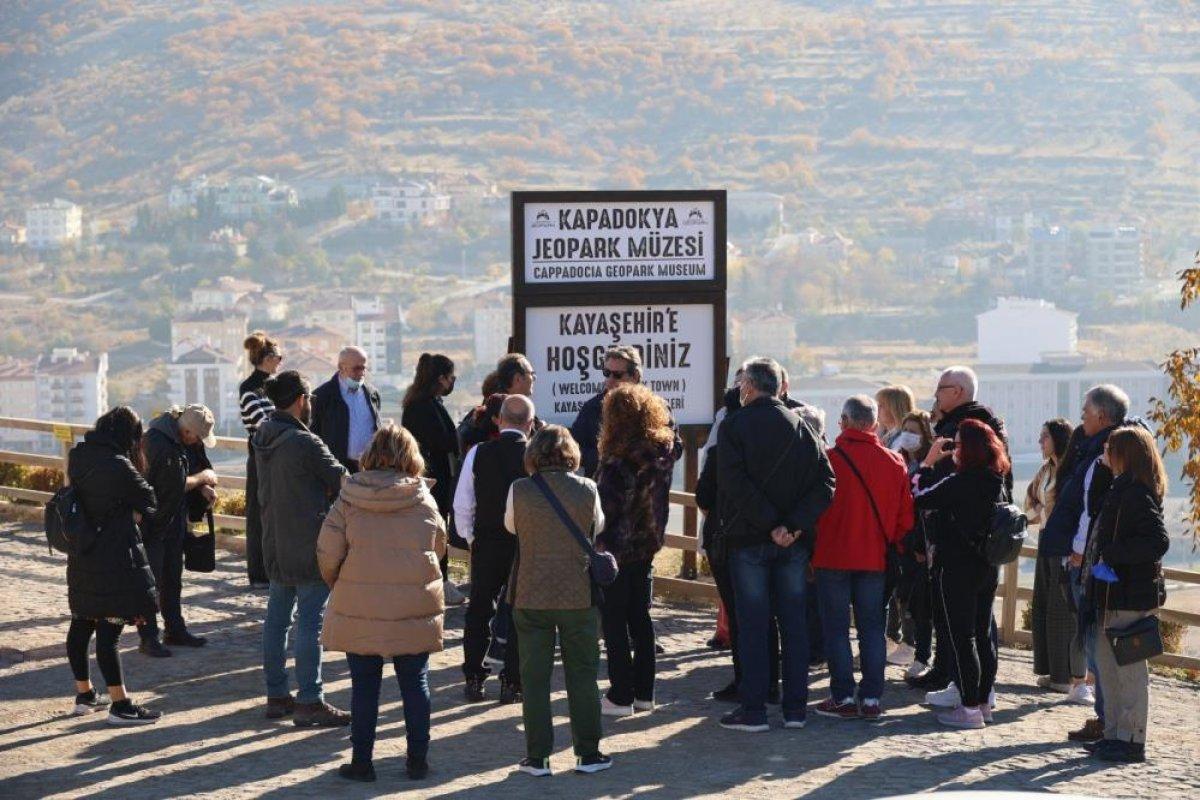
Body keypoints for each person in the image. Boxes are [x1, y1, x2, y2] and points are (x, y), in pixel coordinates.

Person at [317, 424, 447, 782]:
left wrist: (342, 583)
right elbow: (438, 547)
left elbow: (327, 551)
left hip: (360, 602)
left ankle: (362, 762)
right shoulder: (423, 499)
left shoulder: (348, 498)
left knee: (364, 686)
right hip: (412, 604)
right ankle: (417, 760)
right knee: (415, 683)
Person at [716, 357, 836, 732]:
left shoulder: (734, 425)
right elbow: (826, 483)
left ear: (749, 387)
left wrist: (771, 524)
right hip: (792, 545)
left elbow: (733, 484)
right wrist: (793, 526)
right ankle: (795, 710)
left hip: (748, 540)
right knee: (794, 626)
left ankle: (754, 710)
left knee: (753, 627)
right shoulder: (802, 426)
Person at [504, 425, 611, 776]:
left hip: (530, 591)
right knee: (582, 675)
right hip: (577, 593)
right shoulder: (588, 488)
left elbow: (511, 528)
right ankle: (588, 754)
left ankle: (537, 758)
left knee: (534, 678)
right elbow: (597, 526)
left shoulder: (519, 489)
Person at [254, 370, 350, 726]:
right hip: (308, 544)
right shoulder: (305, 442)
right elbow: (343, 481)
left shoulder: (263, 435)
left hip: (274, 542)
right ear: (301, 400)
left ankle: (277, 694)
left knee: (277, 621)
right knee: (310, 622)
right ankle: (310, 699)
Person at [1039, 384, 1131, 743]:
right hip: (1081, 558)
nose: (1081, 419)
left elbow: (1097, 514)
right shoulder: (1095, 449)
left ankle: (1110, 723)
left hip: (1091, 562)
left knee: (1098, 646)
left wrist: (1081, 551)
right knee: (1093, 644)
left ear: (1102, 417)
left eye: (1086, 413)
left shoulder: (1113, 454)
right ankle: (1105, 719)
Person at [813, 395, 914, 720]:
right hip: (875, 559)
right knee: (872, 629)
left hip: (832, 557)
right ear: (874, 424)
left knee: (836, 629)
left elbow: (814, 511)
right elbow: (905, 518)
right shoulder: (894, 462)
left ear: (843, 422)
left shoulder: (827, 460)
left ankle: (842, 696)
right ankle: (871, 698)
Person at [914, 366, 1010, 699]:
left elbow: (924, 496)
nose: (935, 395)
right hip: (986, 551)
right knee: (980, 628)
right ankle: (981, 692)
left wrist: (926, 464)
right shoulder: (993, 459)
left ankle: (965, 693)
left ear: (958, 391)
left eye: (940, 388)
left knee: (960, 629)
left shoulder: (962, 442)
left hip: (956, 549)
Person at [65, 407, 163, 725]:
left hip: (82, 551)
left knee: (81, 622)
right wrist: (129, 511)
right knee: (110, 629)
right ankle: (120, 705)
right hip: (114, 557)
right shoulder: (120, 464)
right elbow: (149, 500)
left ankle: (85, 695)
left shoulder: (78, 455)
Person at [1083, 426, 1169, 763]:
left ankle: (1132, 739)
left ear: (1125, 454)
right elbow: (1094, 508)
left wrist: (1114, 554)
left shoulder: (1137, 493)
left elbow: (1157, 541)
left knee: (1129, 672)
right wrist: (1103, 471)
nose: (1104, 452)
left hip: (1129, 596)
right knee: (1108, 670)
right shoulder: (1119, 486)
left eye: (1110, 448)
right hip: (1110, 595)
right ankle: (1113, 734)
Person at [595, 384, 677, 716]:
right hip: (647, 544)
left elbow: (607, 510)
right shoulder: (662, 453)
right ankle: (645, 692)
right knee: (641, 618)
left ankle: (620, 694)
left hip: (617, 548)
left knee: (615, 621)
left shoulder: (617, 462)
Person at [453, 394, 535, 704]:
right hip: (524, 543)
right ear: (530, 424)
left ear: (499, 420)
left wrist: (470, 538)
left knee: (479, 610)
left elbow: (463, 502)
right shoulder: (535, 455)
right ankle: (512, 682)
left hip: (486, 541)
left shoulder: (478, 452)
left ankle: (474, 677)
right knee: (518, 612)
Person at [137, 404, 218, 657]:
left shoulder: (176, 438)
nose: (198, 442)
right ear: (188, 431)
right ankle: (148, 636)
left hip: (171, 520)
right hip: (153, 522)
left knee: (172, 578)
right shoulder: (158, 443)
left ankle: (174, 629)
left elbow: (184, 474)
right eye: (198, 437)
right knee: (149, 584)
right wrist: (203, 478)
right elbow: (173, 484)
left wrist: (201, 487)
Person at [1027, 417, 1089, 700]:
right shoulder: (1045, 470)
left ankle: (1066, 676)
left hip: (1064, 544)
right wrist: (1041, 513)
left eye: (1045, 437)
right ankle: (1051, 671)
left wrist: (1045, 512)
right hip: (1045, 538)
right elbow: (1030, 502)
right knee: (1043, 604)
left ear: (1059, 439)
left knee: (1061, 609)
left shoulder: (1072, 469)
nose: (1040, 442)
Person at [401, 353, 465, 606]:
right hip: (431, 479)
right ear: (441, 379)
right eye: (450, 377)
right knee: (435, 531)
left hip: (434, 478)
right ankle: (440, 580)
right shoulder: (423, 407)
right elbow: (443, 441)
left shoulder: (425, 403)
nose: (452, 382)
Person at [893, 410, 936, 680]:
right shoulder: (901, 460)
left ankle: (922, 655)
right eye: (905, 430)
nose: (908, 436)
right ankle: (912, 648)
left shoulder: (929, 466)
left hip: (920, 543)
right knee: (905, 598)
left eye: (914, 432)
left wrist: (920, 544)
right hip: (903, 542)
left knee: (922, 604)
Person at [240, 331, 284, 588]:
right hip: (260, 459)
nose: (280, 362)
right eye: (279, 357)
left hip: (275, 458)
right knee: (258, 517)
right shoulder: (250, 389)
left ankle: (273, 570)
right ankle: (258, 573)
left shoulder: (274, 386)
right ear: (268, 358)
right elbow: (264, 426)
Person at [311, 345, 381, 473]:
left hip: (369, 469)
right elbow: (313, 436)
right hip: (336, 470)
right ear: (341, 367)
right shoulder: (322, 396)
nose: (361, 373)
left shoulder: (372, 394)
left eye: (364, 368)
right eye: (356, 368)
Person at [875, 385, 916, 449]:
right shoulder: (882, 431)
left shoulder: (904, 440)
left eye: (881, 405)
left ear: (895, 409)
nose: (877, 408)